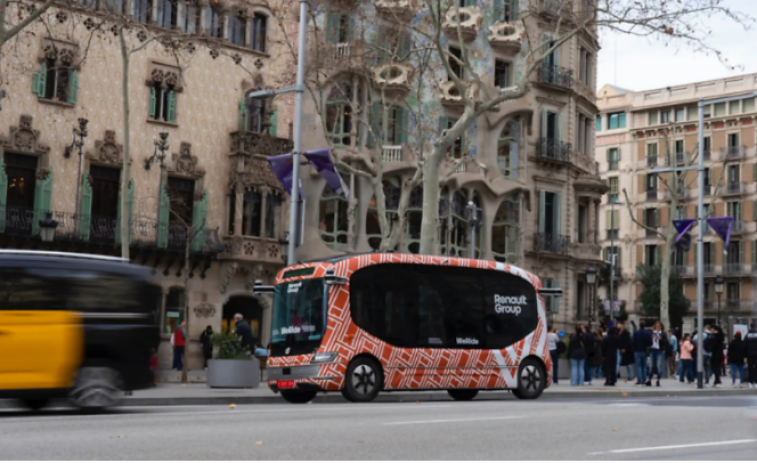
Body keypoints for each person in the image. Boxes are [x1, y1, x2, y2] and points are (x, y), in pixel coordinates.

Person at [632, 320, 652, 385]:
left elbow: (632, 342)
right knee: (644, 365)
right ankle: (644, 379)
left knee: (638, 366)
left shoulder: (636, 333)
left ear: (639, 325)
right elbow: (650, 343)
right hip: (645, 351)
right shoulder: (648, 333)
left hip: (637, 351)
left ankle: (639, 380)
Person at [648, 321, 668, 387]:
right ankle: (649, 380)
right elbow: (647, 341)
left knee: (659, 366)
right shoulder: (652, 333)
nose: (658, 327)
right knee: (652, 366)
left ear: (661, 327)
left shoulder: (663, 334)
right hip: (652, 350)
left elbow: (666, 343)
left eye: (659, 326)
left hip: (659, 351)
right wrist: (651, 338)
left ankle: (658, 380)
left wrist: (660, 339)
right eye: (656, 325)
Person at [745, 322, 757, 389]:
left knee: (750, 368)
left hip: (749, 354)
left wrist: (744, 355)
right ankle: (756, 382)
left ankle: (750, 382)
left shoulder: (747, 335)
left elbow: (745, 346)